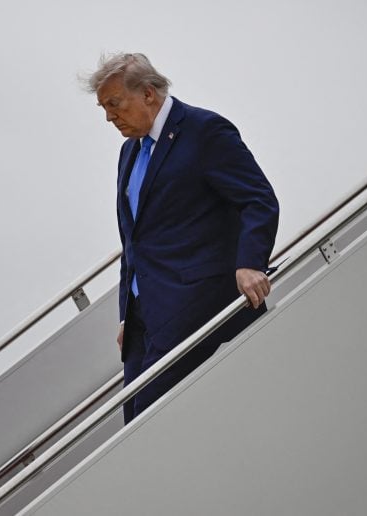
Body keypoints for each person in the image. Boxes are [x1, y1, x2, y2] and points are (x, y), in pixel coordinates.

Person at [84, 53, 279, 423]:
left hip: (193, 301)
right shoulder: (129, 151)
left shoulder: (204, 130)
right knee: (133, 424)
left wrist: (251, 262)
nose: (110, 117)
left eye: (114, 104)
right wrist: (128, 313)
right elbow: (134, 240)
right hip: (145, 318)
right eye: (104, 108)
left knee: (149, 420)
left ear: (148, 94)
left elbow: (258, 200)